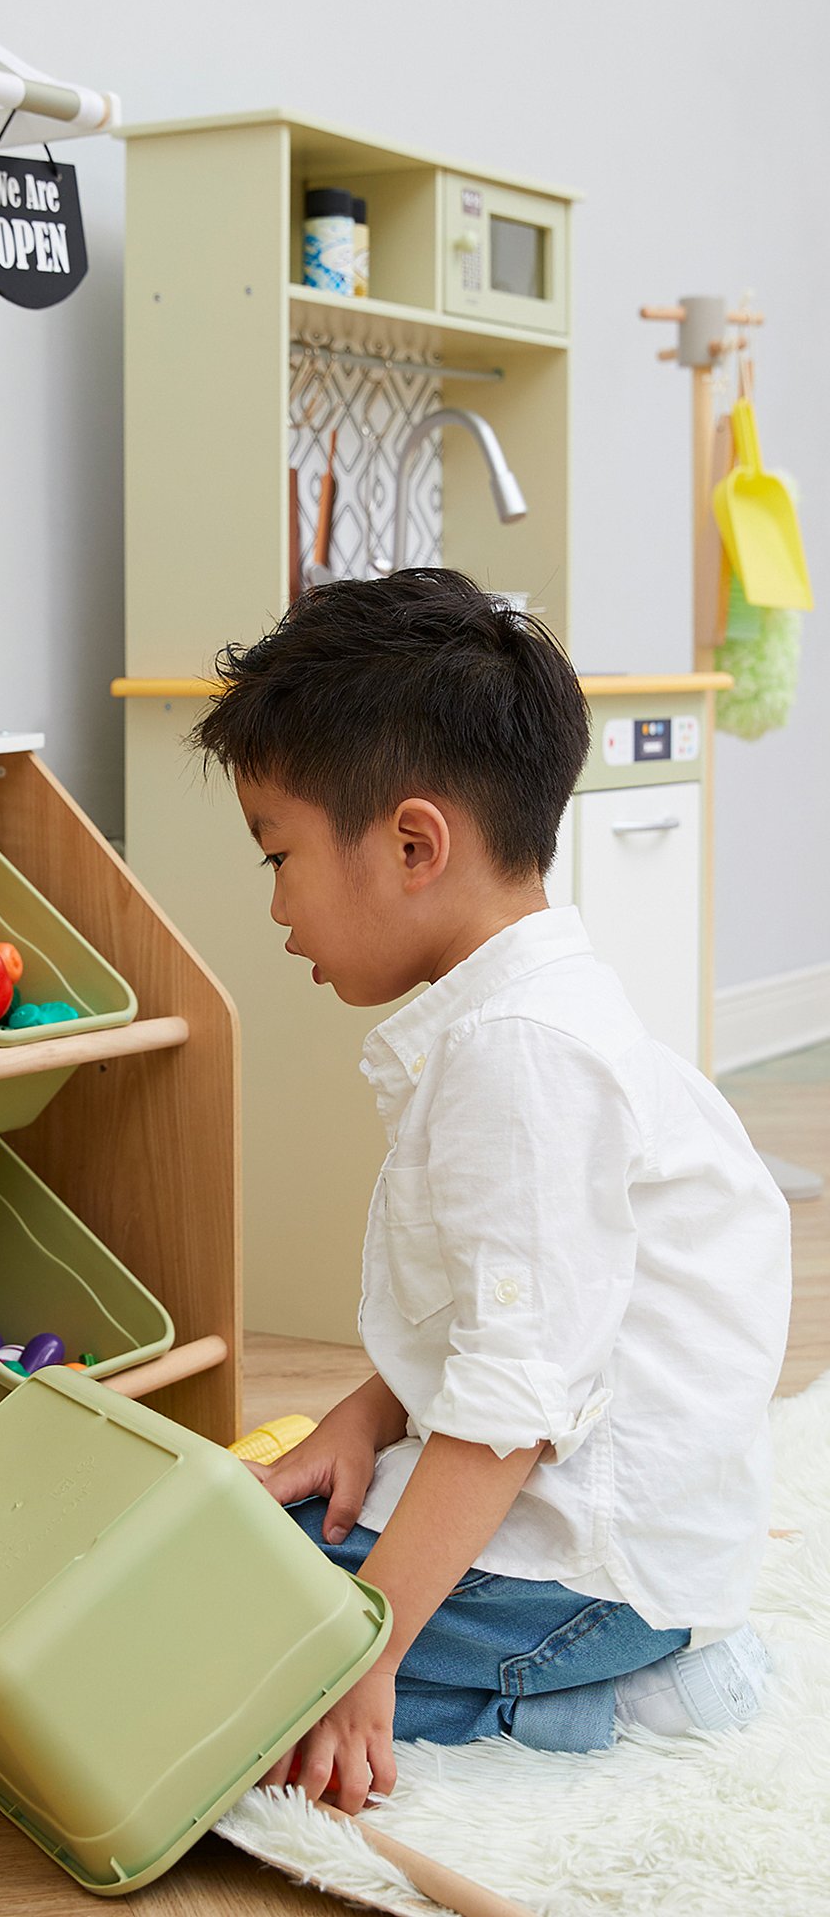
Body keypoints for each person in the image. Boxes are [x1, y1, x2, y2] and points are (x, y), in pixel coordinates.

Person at [192, 570, 789, 1814]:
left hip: (588, 1584)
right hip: (579, 1524)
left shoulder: (520, 1059)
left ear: (413, 844)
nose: (275, 906)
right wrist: (364, 1413)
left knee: (217, 1675)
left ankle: (610, 1693)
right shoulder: (520, 1023)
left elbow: (514, 1397)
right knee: (218, 1561)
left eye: (279, 855)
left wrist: (366, 1646)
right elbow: (511, 1310)